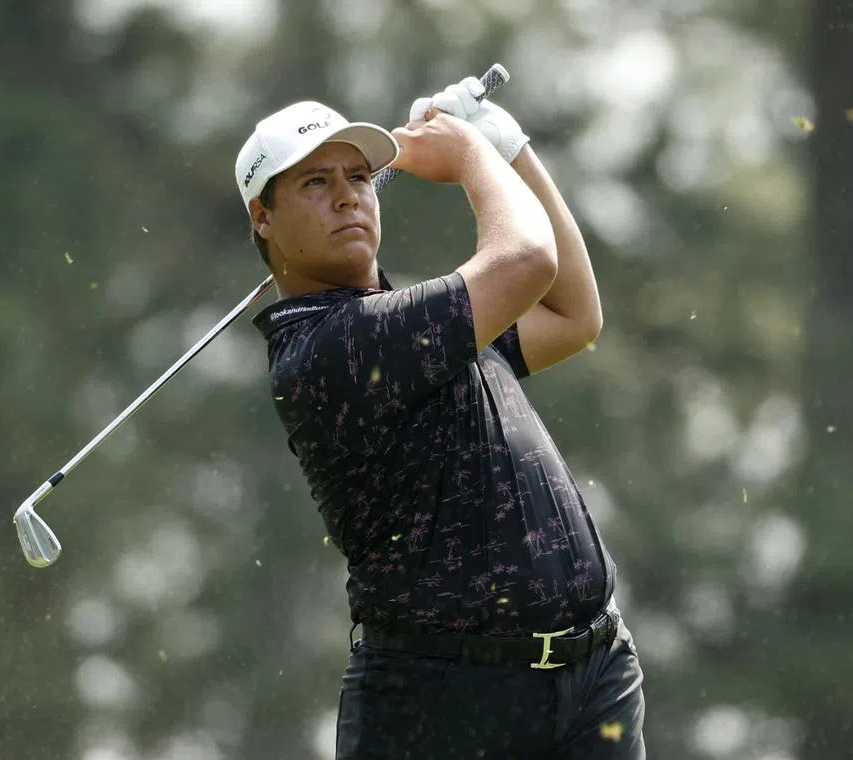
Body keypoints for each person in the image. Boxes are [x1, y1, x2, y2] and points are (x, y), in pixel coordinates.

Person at [235, 77, 646, 759]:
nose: (347, 194)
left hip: (593, 680)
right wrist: (468, 156)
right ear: (263, 217)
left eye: (360, 176)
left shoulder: (424, 327)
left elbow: (573, 315)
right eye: (313, 182)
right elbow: (526, 260)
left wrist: (511, 147)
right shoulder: (327, 349)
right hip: (443, 707)